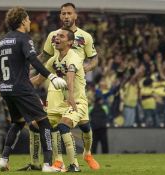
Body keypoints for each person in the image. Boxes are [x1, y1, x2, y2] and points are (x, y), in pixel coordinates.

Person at [21, 2, 100, 171]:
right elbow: (44, 57)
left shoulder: (85, 37)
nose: (66, 16)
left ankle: (87, 153)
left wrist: (84, 68)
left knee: (85, 125)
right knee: (54, 124)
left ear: (75, 15)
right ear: (60, 16)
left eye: (69, 13)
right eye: (63, 13)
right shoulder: (53, 36)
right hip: (56, 84)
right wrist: (25, 68)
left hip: (76, 84)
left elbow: (94, 59)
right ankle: (59, 161)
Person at [0, 7, 66, 173]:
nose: (29, 22)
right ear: (21, 21)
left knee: (18, 122)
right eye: (27, 19)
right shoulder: (24, 38)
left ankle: (4, 159)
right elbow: (33, 59)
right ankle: (48, 165)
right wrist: (52, 77)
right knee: (44, 122)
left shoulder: (2, 41)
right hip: (21, 88)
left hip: (6, 88)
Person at [31, 28, 86, 172]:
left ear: (70, 42)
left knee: (63, 126)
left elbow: (70, 75)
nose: (57, 38)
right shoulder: (53, 60)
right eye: (56, 36)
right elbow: (38, 79)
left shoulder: (73, 57)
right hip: (60, 103)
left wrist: (72, 98)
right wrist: (19, 84)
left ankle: (75, 165)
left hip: (76, 102)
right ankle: (47, 163)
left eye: (61, 36)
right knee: (37, 124)